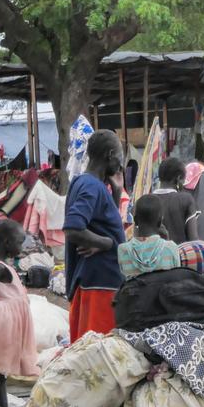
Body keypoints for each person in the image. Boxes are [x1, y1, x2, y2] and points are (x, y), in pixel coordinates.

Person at [63, 130, 126, 342]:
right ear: (109, 155)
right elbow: (73, 228)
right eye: (119, 157)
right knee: (97, 354)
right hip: (99, 285)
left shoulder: (88, 184)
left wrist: (115, 194)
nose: (120, 165)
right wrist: (107, 243)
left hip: (97, 282)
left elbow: (104, 223)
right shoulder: (91, 186)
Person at [0, 220, 40, 407]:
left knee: (4, 368)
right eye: (19, 242)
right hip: (7, 322)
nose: (21, 247)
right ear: (6, 242)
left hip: (12, 321)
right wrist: (3, 313)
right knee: (0, 368)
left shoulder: (0, 265)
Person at [117, 195, 181, 280]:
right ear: (160, 221)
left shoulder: (123, 250)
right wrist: (167, 241)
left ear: (135, 220)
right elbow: (175, 280)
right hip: (162, 293)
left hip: (134, 293)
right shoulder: (171, 248)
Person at [154, 157, 200, 243]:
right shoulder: (186, 199)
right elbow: (193, 240)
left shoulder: (145, 200)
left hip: (152, 255)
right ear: (178, 178)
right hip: (180, 254)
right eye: (184, 179)